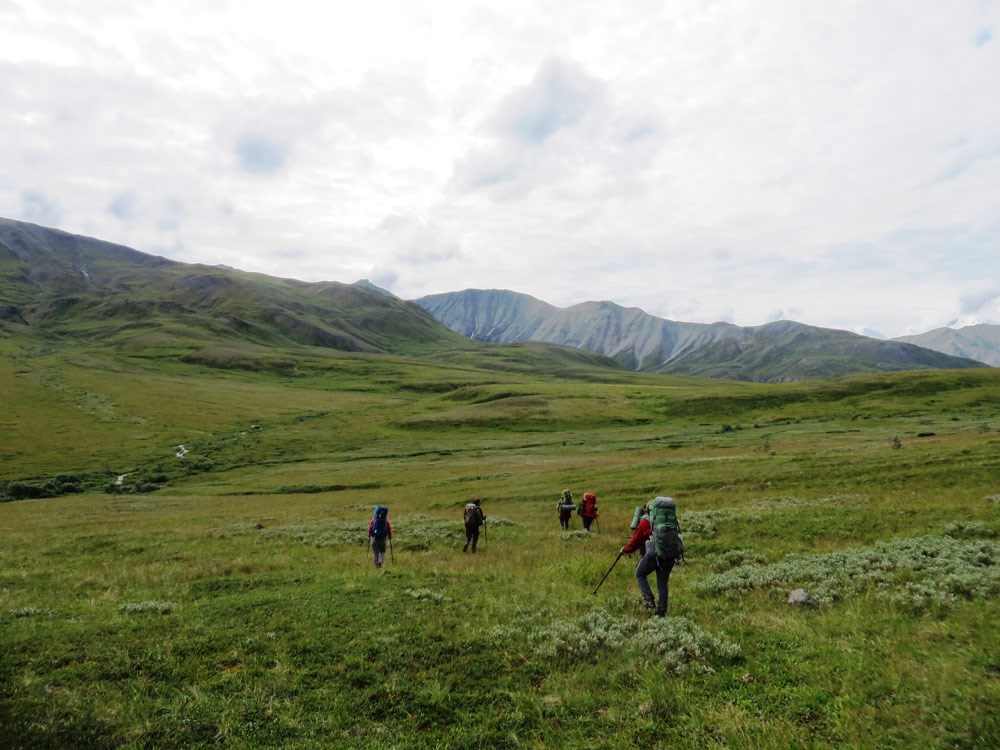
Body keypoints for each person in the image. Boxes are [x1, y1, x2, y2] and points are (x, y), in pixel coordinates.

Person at [635, 497, 683, 616]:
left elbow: (636, 540)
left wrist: (626, 549)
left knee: (640, 573)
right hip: (670, 554)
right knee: (662, 583)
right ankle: (662, 612)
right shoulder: (670, 521)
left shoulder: (647, 521)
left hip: (655, 554)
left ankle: (649, 599)